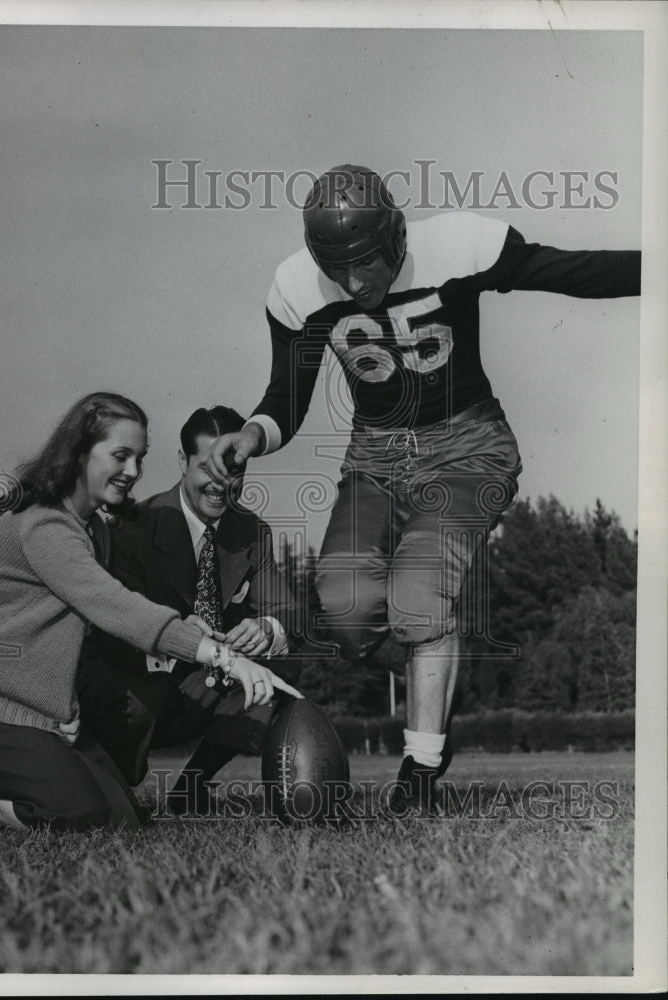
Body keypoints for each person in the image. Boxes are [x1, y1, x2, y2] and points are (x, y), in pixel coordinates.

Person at [206, 164, 641, 815]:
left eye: (367, 264)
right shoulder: (297, 285)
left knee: (418, 601)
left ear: (397, 236)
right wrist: (253, 435)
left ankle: (420, 765)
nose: (355, 284)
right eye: (339, 270)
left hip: (466, 447)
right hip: (373, 456)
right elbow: (286, 396)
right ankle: (435, 668)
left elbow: (571, 272)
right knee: (346, 611)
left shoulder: (453, 249)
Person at [0, 392, 295, 831]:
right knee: (86, 816)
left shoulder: (95, 527)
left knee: (127, 817)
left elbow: (67, 632)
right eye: (120, 456)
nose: (134, 471)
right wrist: (223, 656)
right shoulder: (47, 524)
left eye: (139, 458)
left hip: (19, 696)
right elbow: (117, 608)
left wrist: (60, 707)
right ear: (79, 452)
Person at [77, 405, 301, 816]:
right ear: (182, 462)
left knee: (280, 665)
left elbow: (290, 611)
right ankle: (109, 780)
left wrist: (267, 628)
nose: (221, 485)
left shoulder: (251, 530)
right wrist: (175, 638)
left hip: (204, 685)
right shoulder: (135, 525)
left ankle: (193, 786)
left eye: (233, 471)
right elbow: (109, 634)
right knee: (109, 805)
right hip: (140, 685)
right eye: (207, 469)